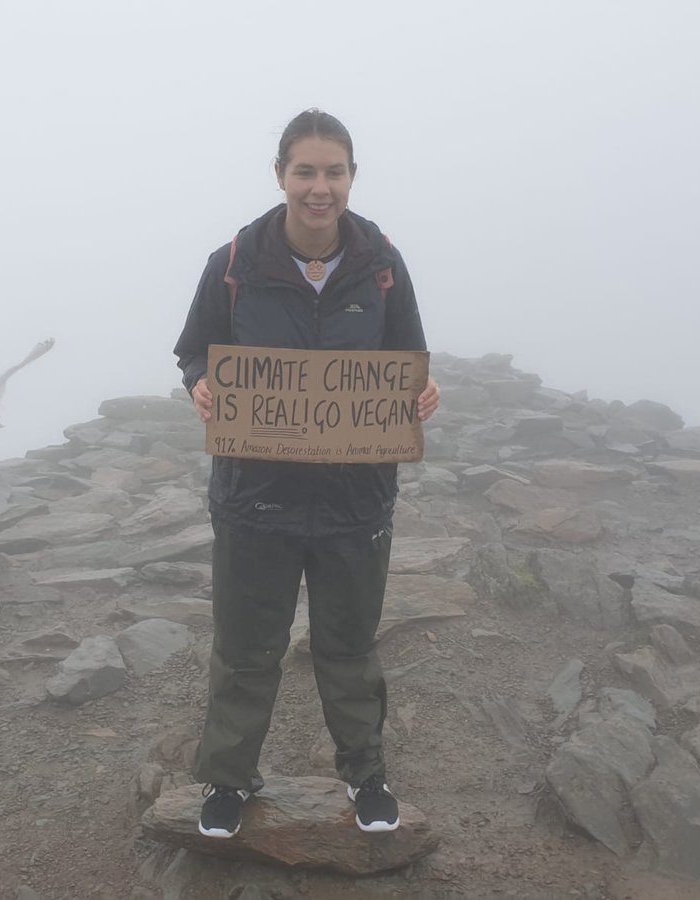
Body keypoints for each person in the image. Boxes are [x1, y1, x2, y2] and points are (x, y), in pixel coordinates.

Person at [173, 108, 439, 840]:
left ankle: (366, 775)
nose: (320, 188)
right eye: (305, 172)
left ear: (352, 177)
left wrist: (422, 393)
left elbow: (409, 358)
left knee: (349, 646)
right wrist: (201, 384)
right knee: (245, 648)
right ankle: (228, 780)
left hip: (356, 500)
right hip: (255, 498)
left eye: (334, 172)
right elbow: (195, 350)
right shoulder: (234, 264)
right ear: (281, 176)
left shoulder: (382, 266)